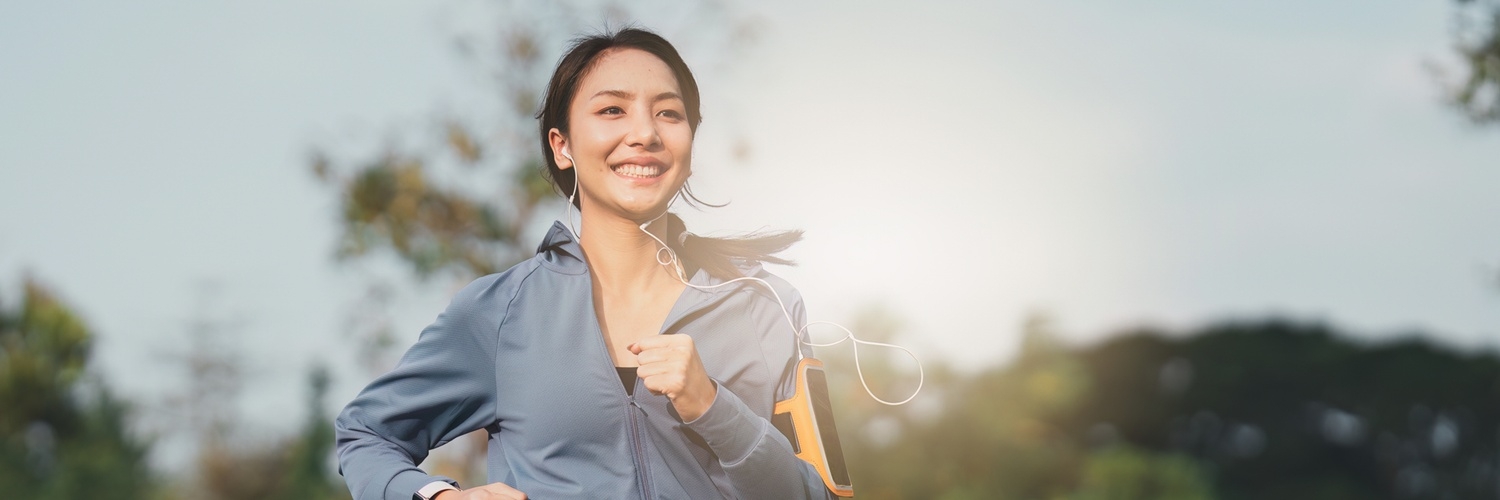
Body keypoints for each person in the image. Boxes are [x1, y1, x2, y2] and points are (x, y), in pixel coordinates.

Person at [334, 27, 832, 500]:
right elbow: (365, 434)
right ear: (562, 145)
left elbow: (822, 494)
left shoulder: (765, 307)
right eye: (613, 110)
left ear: (690, 146)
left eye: (669, 114)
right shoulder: (501, 313)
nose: (644, 134)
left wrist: (712, 406)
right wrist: (437, 495)